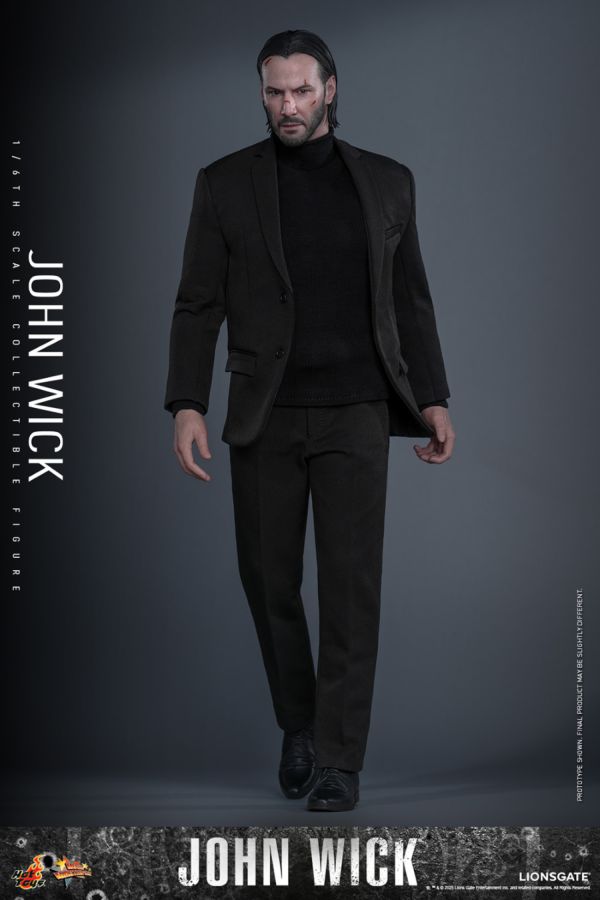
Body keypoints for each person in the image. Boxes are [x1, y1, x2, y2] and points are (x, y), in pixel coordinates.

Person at [164, 29, 455, 812]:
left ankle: (338, 759)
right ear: (262, 95)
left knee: (351, 591)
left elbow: (411, 299)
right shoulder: (225, 184)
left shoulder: (388, 182)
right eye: (274, 92)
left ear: (330, 89)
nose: (287, 105)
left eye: (301, 90)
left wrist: (433, 397)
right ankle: (300, 724)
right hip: (265, 413)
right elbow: (197, 303)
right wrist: (187, 402)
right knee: (269, 582)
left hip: (358, 411)